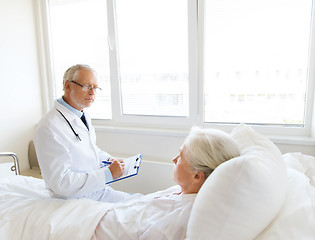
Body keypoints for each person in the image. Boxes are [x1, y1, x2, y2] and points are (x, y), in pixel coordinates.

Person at [92, 126, 241, 239]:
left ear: (197, 176)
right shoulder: (182, 190)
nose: (174, 159)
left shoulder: (180, 218)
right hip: (101, 214)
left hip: (91, 230)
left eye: (181, 156)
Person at [34, 64, 141, 202]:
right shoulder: (49, 127)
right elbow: (60, 183)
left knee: (142, 201)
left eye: (95, 87)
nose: (92, 92)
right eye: (86, 86)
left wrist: (108, 160)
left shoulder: (81, 115)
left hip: (95, 191)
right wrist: (107, 174)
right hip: (74, 201)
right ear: (68, 86)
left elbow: (88, 149)